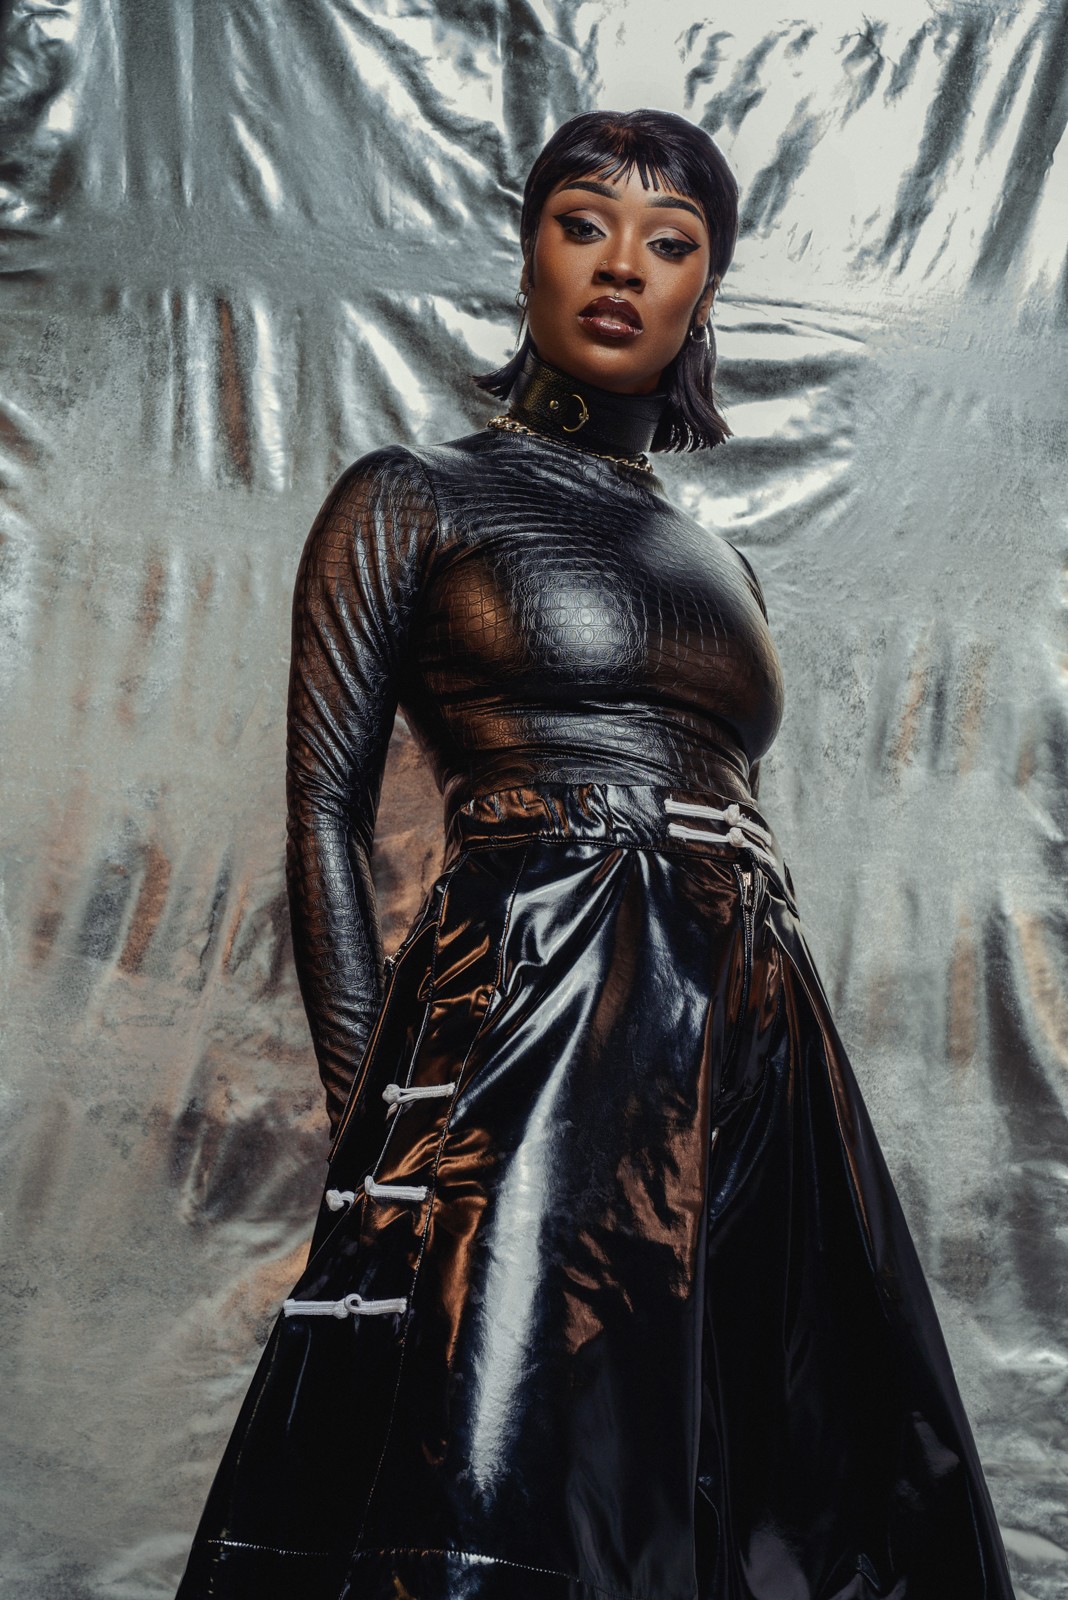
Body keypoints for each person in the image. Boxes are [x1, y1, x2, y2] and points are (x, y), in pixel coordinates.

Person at [175, 108, 1016, 1600]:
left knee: (815, 1479)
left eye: (668, 242)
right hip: (543, 1008)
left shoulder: (719, 562)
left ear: (705, 290)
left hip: (753, 1022)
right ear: (529, 260)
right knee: (511, 1460)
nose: (622, 265)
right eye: (583, 225)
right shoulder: (412, 495)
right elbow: (325, 813)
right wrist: (381, 1148)